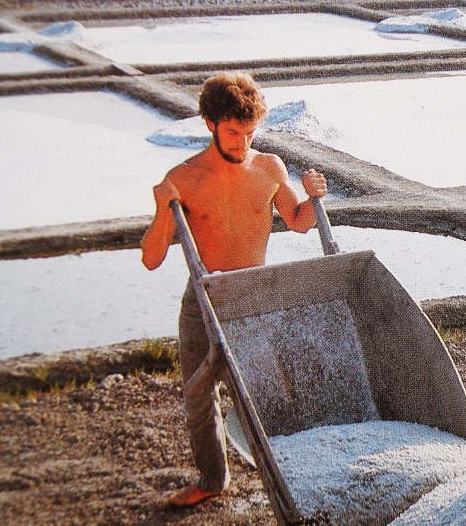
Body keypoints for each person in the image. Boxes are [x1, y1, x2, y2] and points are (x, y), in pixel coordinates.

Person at [140, 72, 327, 507]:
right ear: (209, 123)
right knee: (197, 395)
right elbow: (151, 258)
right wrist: (162, 207)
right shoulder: (184, 178)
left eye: (249, 133)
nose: (242, 143)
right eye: (232, 133)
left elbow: (299, 221)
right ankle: (212, 479)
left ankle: (292, 472)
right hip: (203, 297)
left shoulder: (269, 167)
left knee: (268, 390)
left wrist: (315, 198)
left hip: (253, 294)